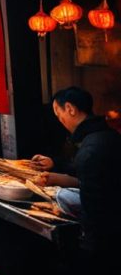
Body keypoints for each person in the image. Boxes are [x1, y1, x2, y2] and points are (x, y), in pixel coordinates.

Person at [31, 87, 121, 267]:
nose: (60, 120)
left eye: (58, 113)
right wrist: (54, 164)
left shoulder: (91, 149)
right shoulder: (109, 136)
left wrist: (87, 246)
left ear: (70, 109)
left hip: (105, 244)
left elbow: (94, 210)